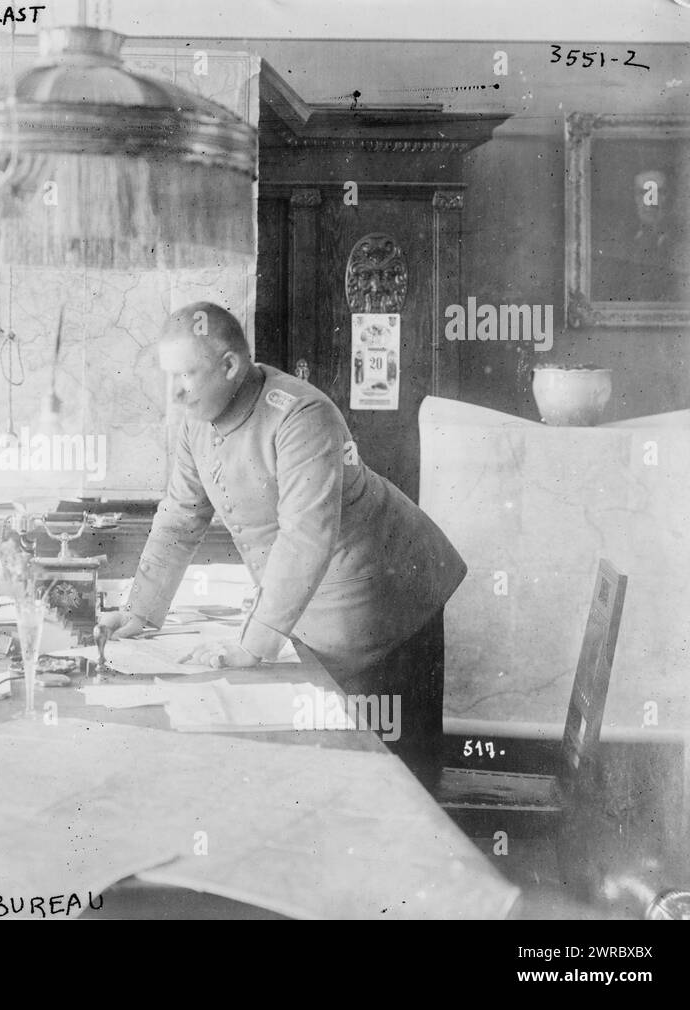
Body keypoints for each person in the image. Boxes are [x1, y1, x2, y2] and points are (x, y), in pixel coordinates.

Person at [98, 303, 467, 774]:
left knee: (389, 773)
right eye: (167, 376)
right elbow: (180, 516)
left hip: (387, 601)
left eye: (185, 376)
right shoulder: (197, 419)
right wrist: (140, 611)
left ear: (230, 367)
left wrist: (253, 647)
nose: (173, 394)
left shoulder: (302, 414)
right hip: (317, 603)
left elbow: (306, 535)